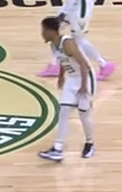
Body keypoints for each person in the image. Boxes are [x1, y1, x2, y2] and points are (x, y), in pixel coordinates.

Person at [38, 16, 96, 162]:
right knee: (63, 112)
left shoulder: (68, 43)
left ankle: (90, 143)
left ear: (52, 31)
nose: (42, 34)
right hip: (72, 78)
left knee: (84, 114)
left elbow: (83, 64)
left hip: (85, 77)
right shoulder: (53, 45)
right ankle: (58, 149)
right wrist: (61, 76)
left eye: (44, 30)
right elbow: (63, 60)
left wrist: (84, 86)